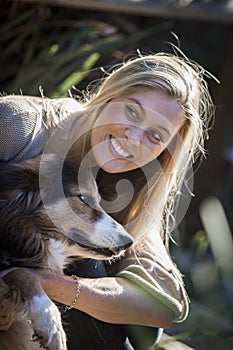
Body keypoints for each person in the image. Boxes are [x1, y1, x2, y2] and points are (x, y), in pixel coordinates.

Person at [0, 52, 215, 349]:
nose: (134, 138)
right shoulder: (19, 126)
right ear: (107, 97)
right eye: (133, 112)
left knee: (102, 283)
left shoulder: (132, 187)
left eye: (155, 135)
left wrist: (40, 283)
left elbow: (164, 305)